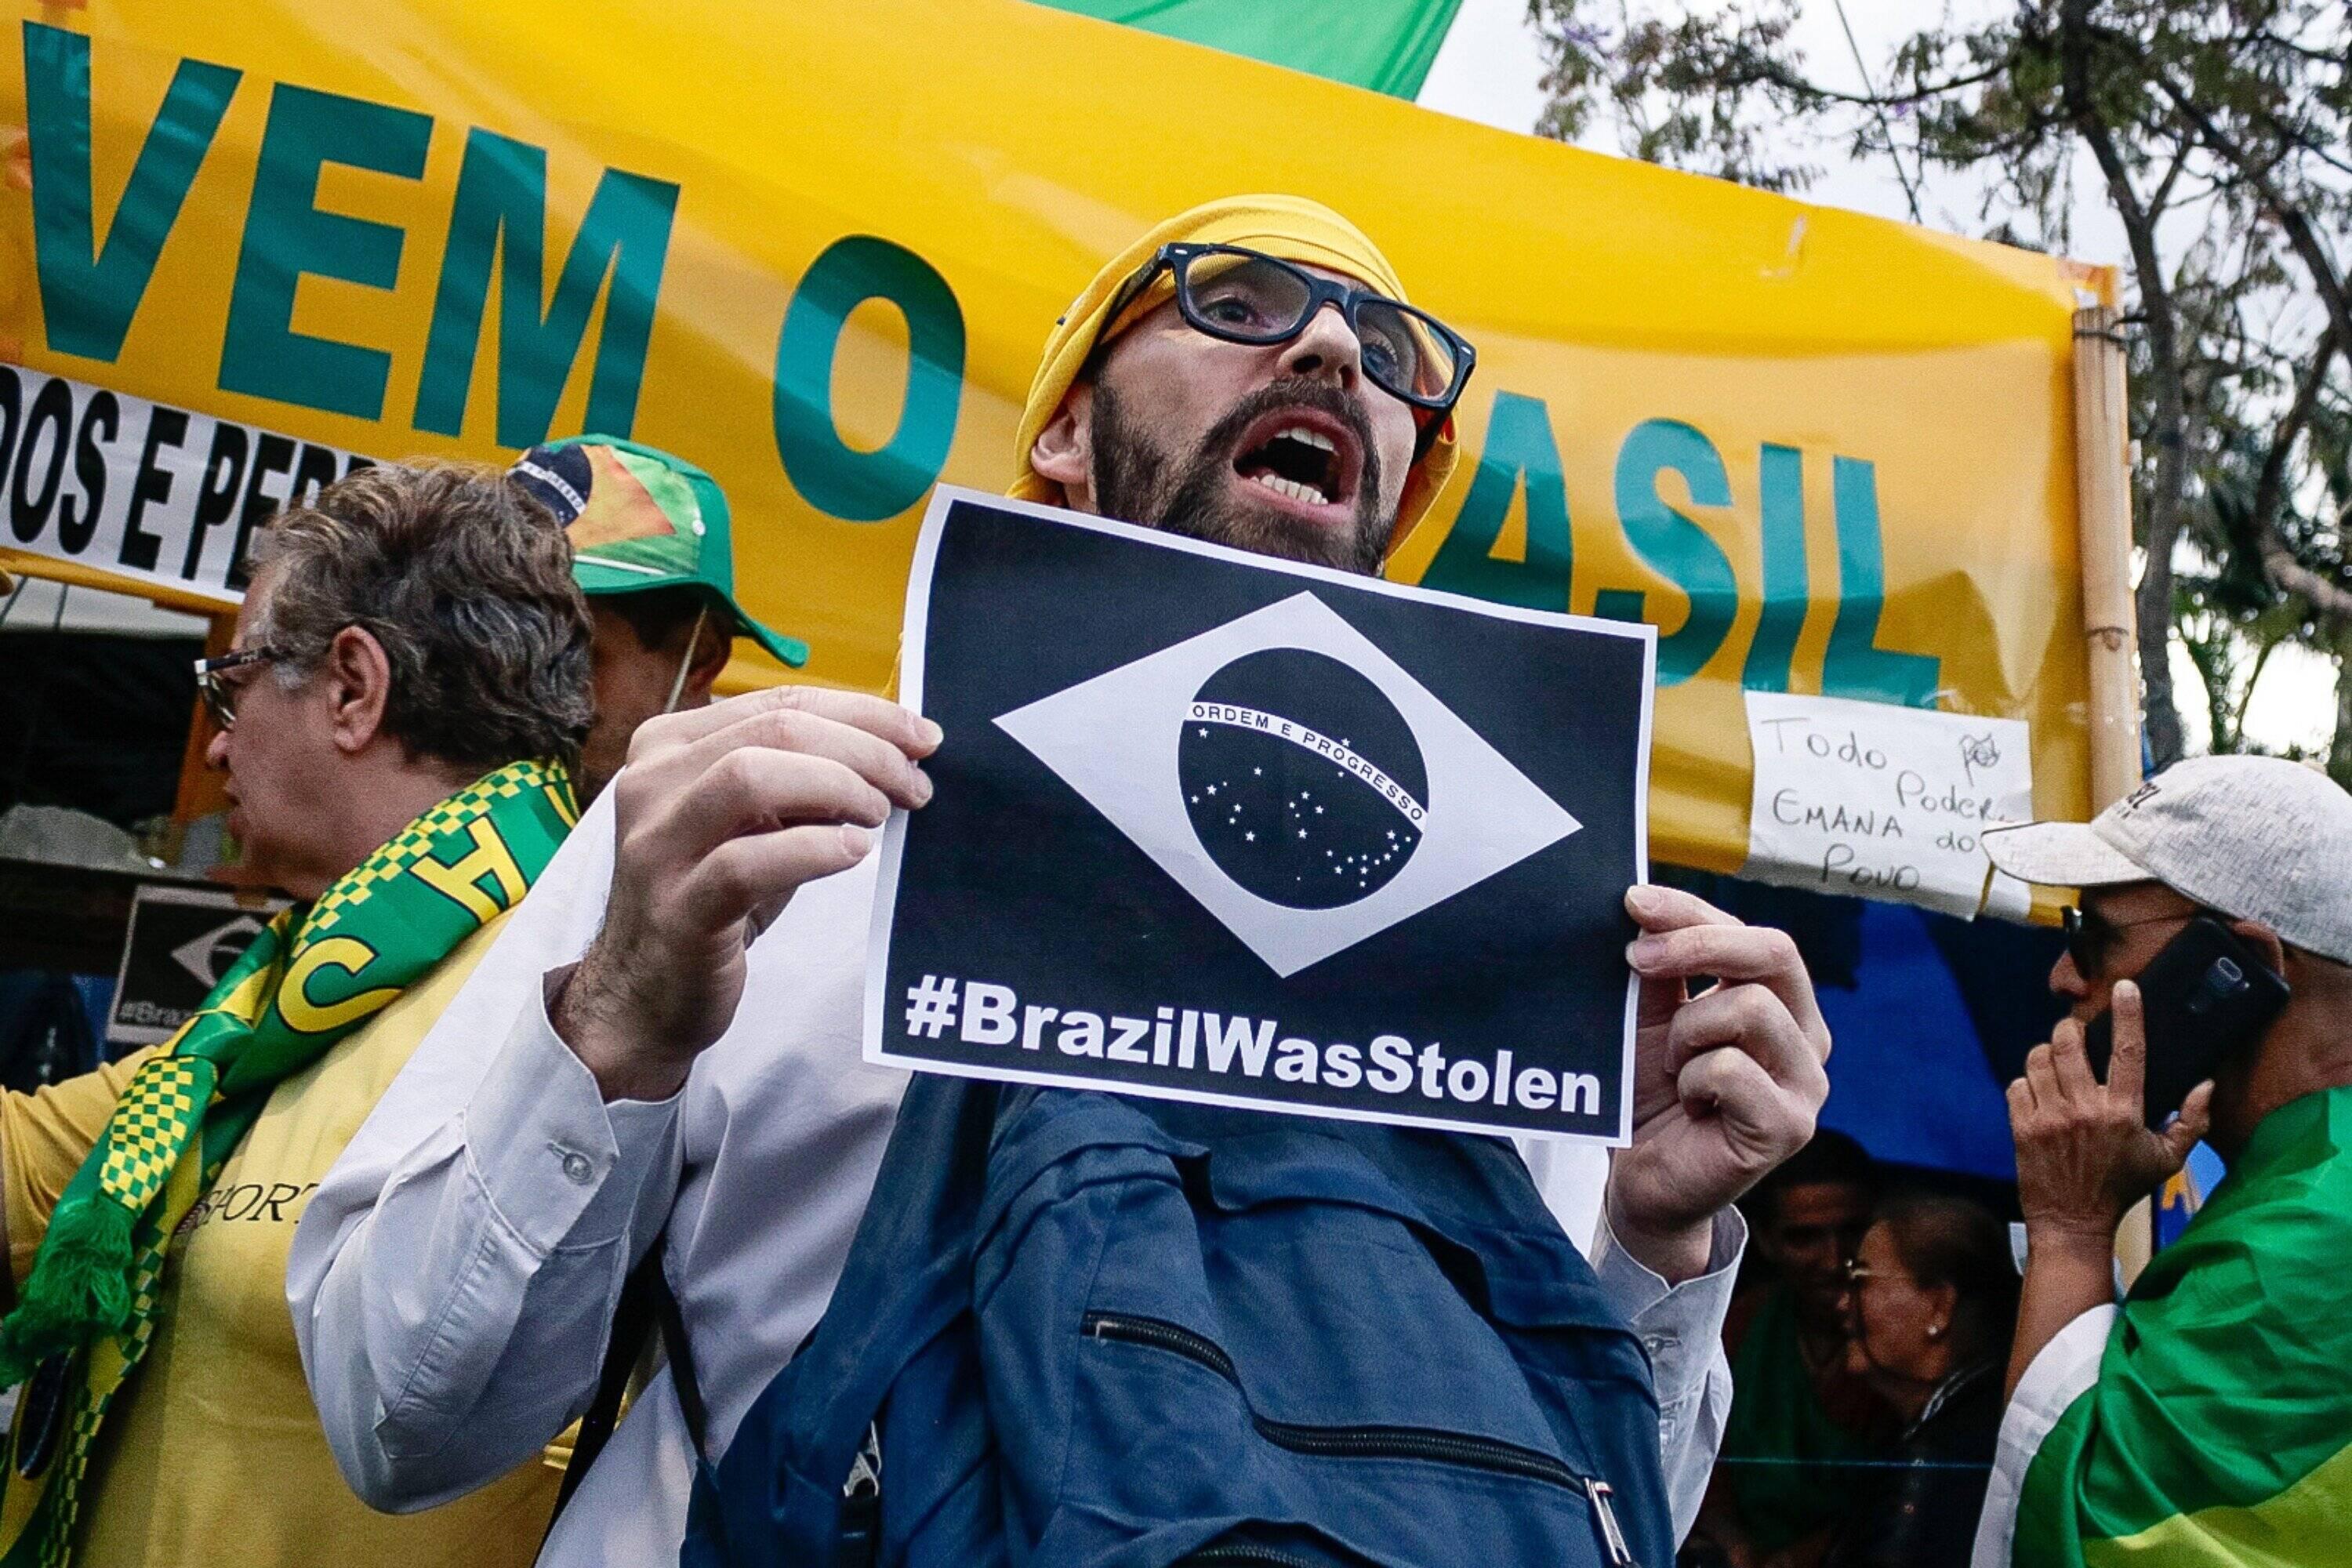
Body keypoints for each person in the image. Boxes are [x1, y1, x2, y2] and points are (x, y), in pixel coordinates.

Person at [291, 194, 1834, 1563]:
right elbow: (396, 1422)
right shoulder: (761, 810)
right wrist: (615, 1018)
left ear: (1404, 491)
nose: (1330, 355)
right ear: (1064, 431)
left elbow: (1587, 1512)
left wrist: (1655, 1237)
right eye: (1234, 300)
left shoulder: (1514, 943)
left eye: (1387, 348)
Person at [0, 464, 590, 1566]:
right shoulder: (291, 1000)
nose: (215, 742)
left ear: (354, 690)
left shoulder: (569, 1000)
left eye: (232, 685)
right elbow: (26, 1175)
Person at [1968, 755, 2352, 1566]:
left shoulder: (2306, 1234)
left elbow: (2073, 1530)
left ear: (2243, 968)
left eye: (2096, 936)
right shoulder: (2310, 1179)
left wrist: (2071, 1227)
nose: (2063, 972)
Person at [509, 436, 811, 803]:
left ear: (701, 657)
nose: (512, 687)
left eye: (570, 654)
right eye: (496, 640)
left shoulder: (777, 846)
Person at [1694, 1131, 1895, 1568]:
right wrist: (1733, 1543)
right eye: (1804, 1238)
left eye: (1853, 1232)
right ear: (1765, 1242)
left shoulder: (1910, 1335)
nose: (1834, 1258)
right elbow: (1701, 1462)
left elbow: (1906, 1491)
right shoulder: (1732, 1328)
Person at [1824, 1193, 2014, 1568]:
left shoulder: (1951, 1453)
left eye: (1860, 1280)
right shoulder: (1952, 1424)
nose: (1843, 1304)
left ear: (1939, 1307)